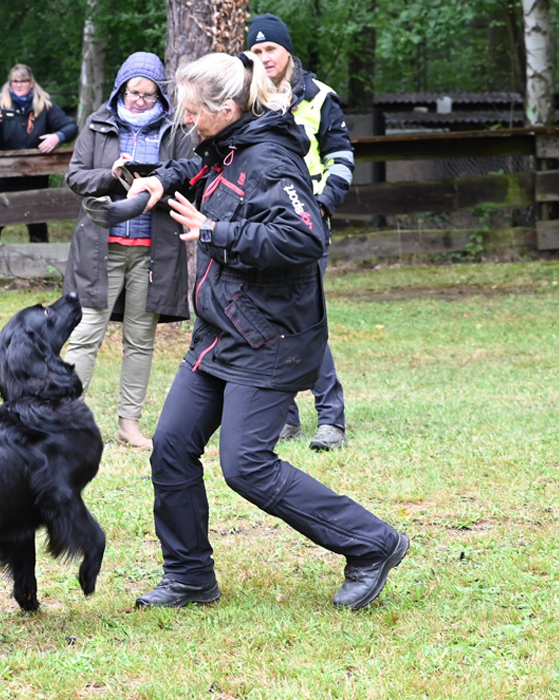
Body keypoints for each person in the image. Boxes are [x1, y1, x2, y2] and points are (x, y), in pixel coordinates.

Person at [121, 52, 408, 610]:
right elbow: (199, 167)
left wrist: (215, 230)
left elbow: (305, 239)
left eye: (191, 110)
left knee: (246, 466)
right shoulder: (226, 145)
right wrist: (158, 183)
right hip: (219, 332)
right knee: (172, 448)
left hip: (270, 335)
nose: (184, 119)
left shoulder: (271, 159)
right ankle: (189, 578)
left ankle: (372, 544)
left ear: (226, 108)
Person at [63, 52, 192, 450]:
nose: (139, 100)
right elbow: (75, 176)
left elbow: (191, 173)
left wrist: (159, 181)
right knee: (86, 332)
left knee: (141, 338)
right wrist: (111, 175)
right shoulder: (99, 124)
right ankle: (64, 420)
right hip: (103, 246)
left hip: (154, 251)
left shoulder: (175, 130)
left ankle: (129, 424)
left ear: (161, 97)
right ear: (121, 89)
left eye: (149, 96)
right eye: (134, 92)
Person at [248, 13, 354, 451]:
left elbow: (342, 161)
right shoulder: (246, 97)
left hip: (306, 227)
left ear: (287, 50)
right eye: (255, 51)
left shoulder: (320, 97)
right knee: (272, 321)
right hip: (260, 228)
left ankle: (331, 419)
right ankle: (287, 419)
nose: (263, 57)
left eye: (269, 48)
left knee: (303, 319)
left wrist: (322, 208)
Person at [0, 64, 78, 244]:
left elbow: (71, 127)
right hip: (2, 176)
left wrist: (57, 137)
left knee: (37, 226)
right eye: (15, 81)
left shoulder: (45, 104)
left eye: (23, 81)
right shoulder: (0, 103)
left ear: (31, 83)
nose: (19, 85)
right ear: (10, 83)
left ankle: (42, 266)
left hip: (35, 175)